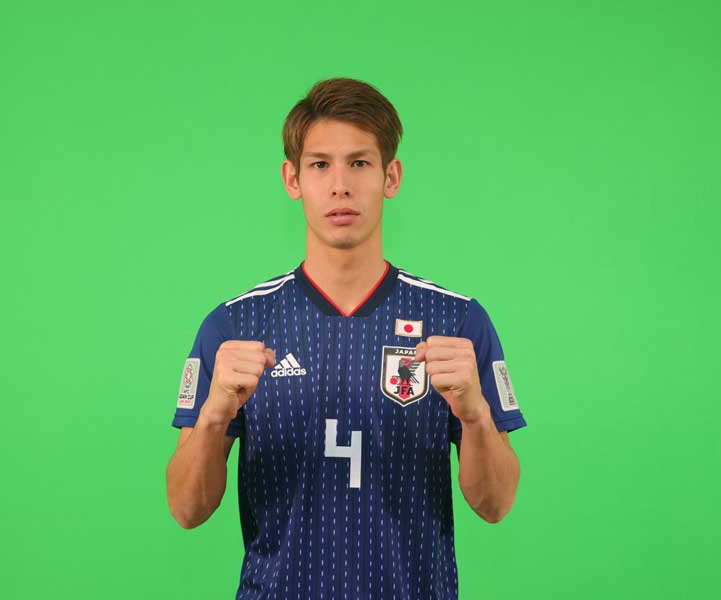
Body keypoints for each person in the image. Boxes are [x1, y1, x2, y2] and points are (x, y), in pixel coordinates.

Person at [165, 77, 527, 599]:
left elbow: (496, 505)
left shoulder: (457, 322)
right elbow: (186, 509)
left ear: (390, 176)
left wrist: (475, 416)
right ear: (292, 178)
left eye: (359, 163)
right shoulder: (233, 327)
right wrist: (214, 414)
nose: (340, 186)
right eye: (320, 165)